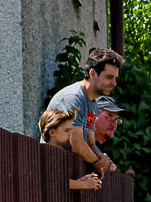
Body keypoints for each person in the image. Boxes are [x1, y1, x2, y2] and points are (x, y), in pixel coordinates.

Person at [44, 47, 120, 176]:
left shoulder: (93, 103)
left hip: (66, 171)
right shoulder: (73, 97)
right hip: (51, 169)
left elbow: (91, 142)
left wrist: (103, 158)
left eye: (115, 78)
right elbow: (76, 143)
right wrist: (98, 162)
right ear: (93, 74)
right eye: (109, 77)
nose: (114, 83)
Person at [38, 110, 102, 191]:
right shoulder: (45, 154)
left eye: (71, 130)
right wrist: (85, 184)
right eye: (66, 130)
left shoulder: (60, 154)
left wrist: (82, 180)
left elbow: (63, 182)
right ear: (52, 132)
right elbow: (56, 182)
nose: (70, 133)